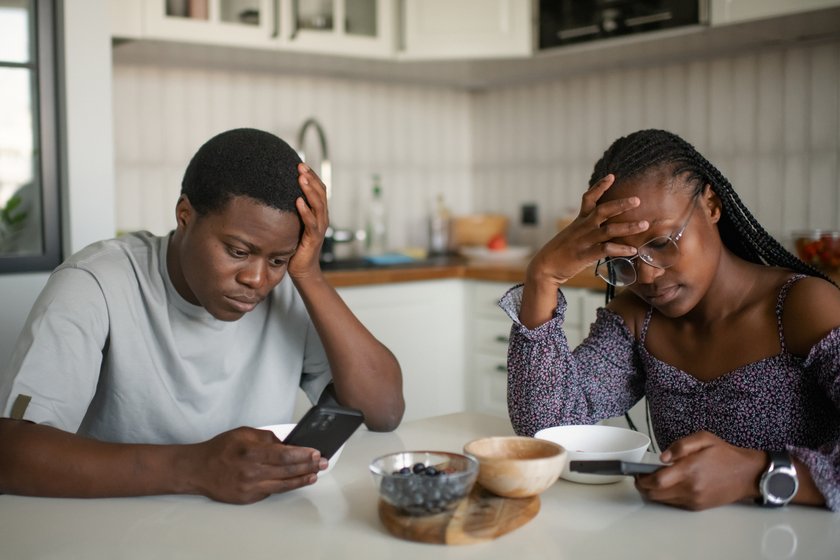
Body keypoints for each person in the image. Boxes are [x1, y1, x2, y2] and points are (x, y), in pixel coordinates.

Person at [0, 128, 404, 504]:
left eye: (278, 259)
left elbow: (384, 411)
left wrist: (308, 275)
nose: (257, 279)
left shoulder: (290, 287)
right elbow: (13, 453)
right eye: (238, 251)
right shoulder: (96, 283)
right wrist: (195, 467)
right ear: (184, 215)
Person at [500, 129, 840, 512]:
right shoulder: (637, 318)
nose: (646, 277)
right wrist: (542, 276)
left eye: (661, 244)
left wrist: (755, 474)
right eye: (622, 259)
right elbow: (548, 428)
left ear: (710, 205)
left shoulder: (802, 307)